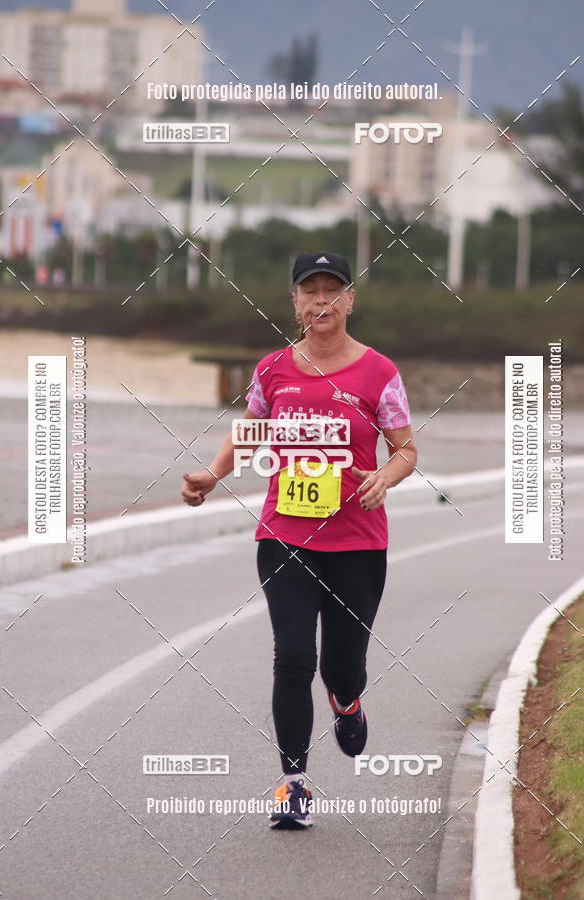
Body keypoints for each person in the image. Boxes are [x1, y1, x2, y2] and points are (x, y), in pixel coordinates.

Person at [181, 251, 417, 829]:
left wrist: (385, 476)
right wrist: (213, 475)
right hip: (285, 537)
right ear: (294, 302)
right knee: (292, 657)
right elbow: (251, 430)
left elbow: (406, 449)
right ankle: (293, 786)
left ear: (349, 300)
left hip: (357, 543)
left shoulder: (378, 373)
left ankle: (348, 700)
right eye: (309, 292)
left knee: (342, 665)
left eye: (331, 291)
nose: (320, 302)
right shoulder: (273, 371)